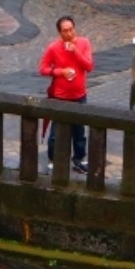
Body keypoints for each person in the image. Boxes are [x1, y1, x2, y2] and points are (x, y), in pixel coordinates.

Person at [39, 15, 94, 173]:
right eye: (65, 31)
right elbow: (43, 69)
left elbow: (89, 66)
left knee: (79, 131)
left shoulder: (84, 43)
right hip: (60, 96)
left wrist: (75, 50)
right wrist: (60, 72)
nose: (69, 33)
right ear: (60, 33)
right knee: (56, 132)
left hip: (79, 95)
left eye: (71, 29)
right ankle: (53, 159)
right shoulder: (53, 48)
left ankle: (79, 159)